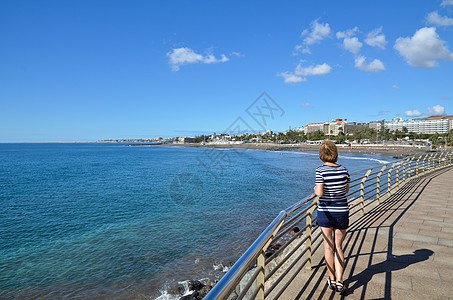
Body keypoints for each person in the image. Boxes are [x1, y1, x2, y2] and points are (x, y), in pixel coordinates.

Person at [313, 141, 350, 293]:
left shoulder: (320, 171)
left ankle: (332, 279)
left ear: (321, 154)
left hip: (326, 212)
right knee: (339, 247)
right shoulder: (344, 170)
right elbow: (346, 190)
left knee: (329, 247)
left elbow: (320, 193)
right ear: (335, 153)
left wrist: (315, 188)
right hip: (341, 210)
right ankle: (340, 281)